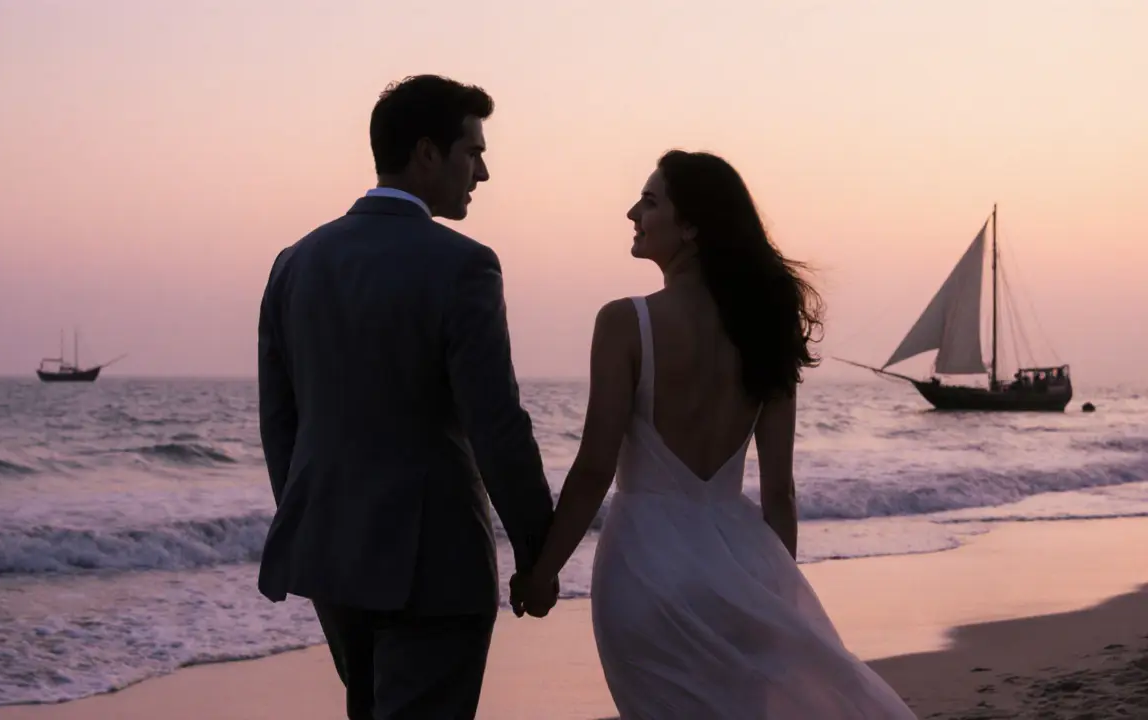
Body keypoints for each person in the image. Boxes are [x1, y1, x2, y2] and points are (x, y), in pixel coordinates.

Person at [511, 151, 917, 718]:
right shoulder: (766, 331)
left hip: (645, 570)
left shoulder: (625, 323)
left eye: (650, 202)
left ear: (692, 227)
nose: (633, 212)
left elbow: (593, 469)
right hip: (740, 569)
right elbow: (780, 492)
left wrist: (542, 572)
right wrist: (776, 597)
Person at [256, 74, 556, 720]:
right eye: (472, 152)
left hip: (333, 563)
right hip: (435, 569)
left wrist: (316, 525)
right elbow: (496, 425)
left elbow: (281, 427)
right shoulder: (464, 266)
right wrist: (539, 552)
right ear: (426, 153)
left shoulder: (294, 264)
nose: (482, 173)